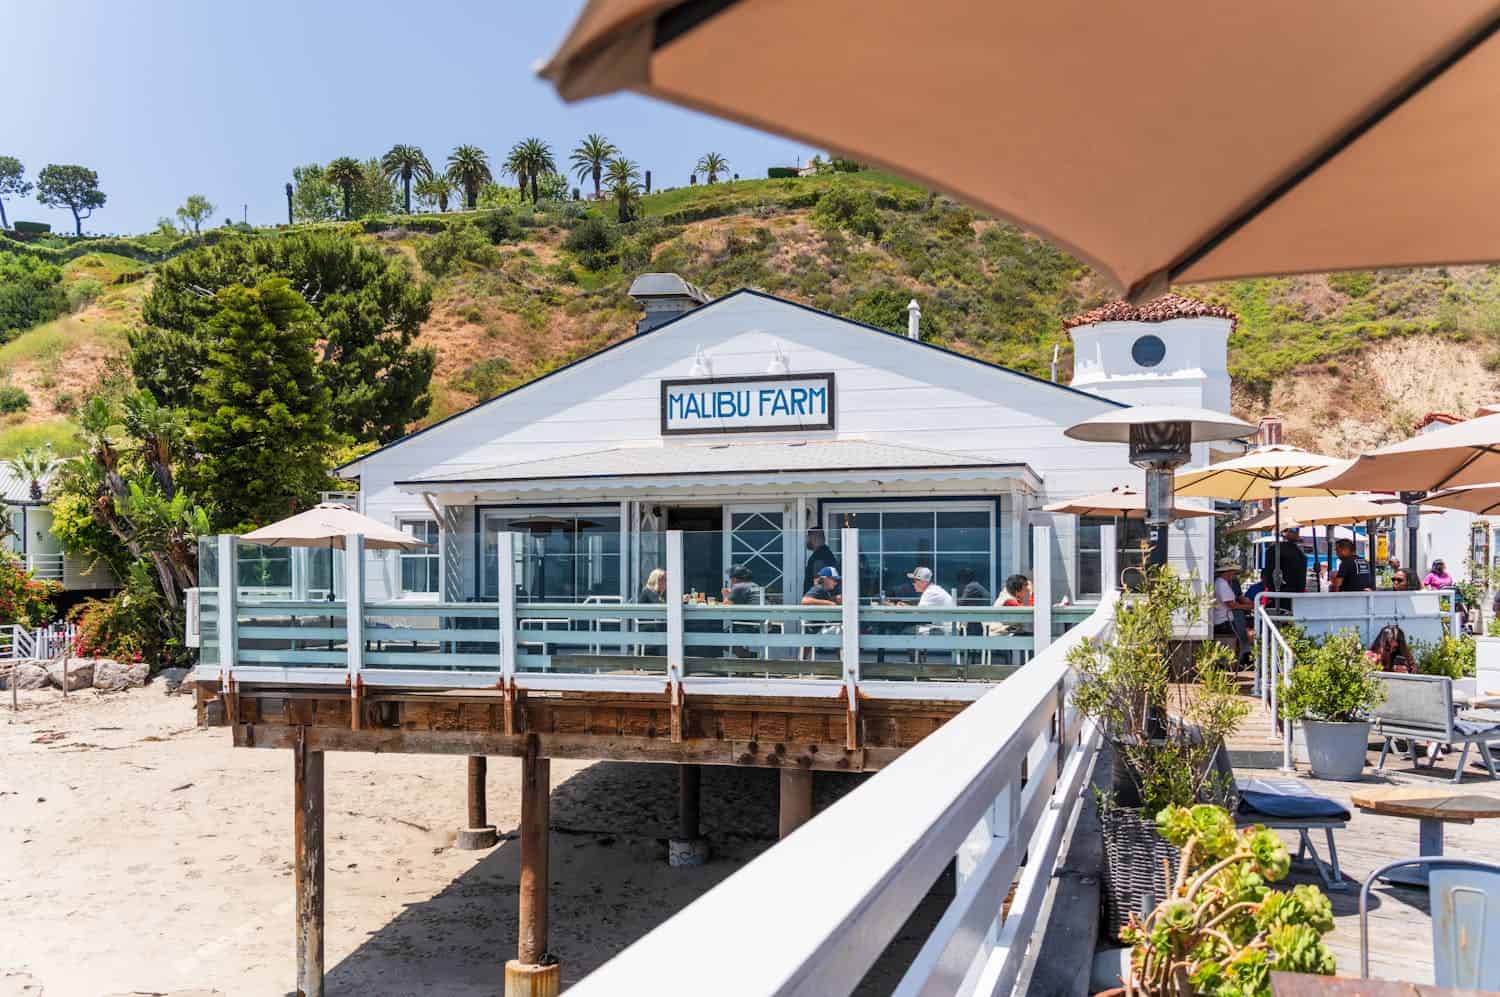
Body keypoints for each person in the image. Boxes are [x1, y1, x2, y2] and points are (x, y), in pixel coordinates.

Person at [1212, 560, 1253, 661]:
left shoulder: (1221, 583)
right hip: (1224, 622)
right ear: (1228, 571)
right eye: (1233, 571)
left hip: (1225, 620)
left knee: (1247, 631)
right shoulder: (1222, 584)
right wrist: (1248, 607)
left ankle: (1242, 657)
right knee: (1251, 634)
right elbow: (1232, 605)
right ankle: (1245, 658)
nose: (1234, 573)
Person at [1266, 527, 1308, 592]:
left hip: (1281, 591)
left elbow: (1270, 574)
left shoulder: (1275, 549)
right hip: (1295, 591)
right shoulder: (1300, 553)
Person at [803, 528, 838, 594]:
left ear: (814, 538)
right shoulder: (825, 554)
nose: (806, 540)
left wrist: (810, 598)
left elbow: (819, 585)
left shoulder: (820, 557)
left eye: (808, 537)